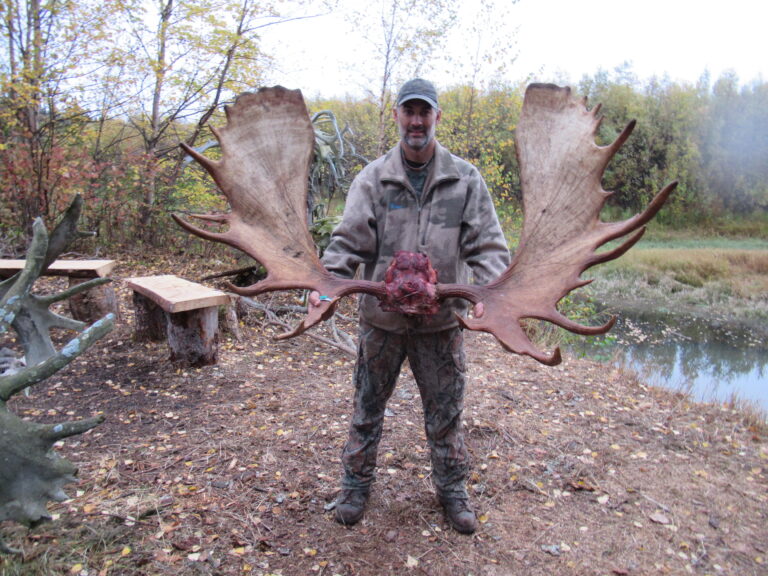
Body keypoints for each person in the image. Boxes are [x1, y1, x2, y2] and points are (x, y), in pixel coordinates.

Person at [310, 78, 510, 534]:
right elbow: (347, 242)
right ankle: (355, 486)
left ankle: (452, 491)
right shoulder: (374, 177)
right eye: (409, 111)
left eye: (425, 112)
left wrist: (492, 292)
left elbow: (488, 247)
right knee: (366, 407)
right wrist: (325, 284)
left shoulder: (465, 178)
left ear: (437, 117)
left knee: (446, 414)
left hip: (440, 324)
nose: (416, 121)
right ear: (397, 116)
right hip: (382, 323)